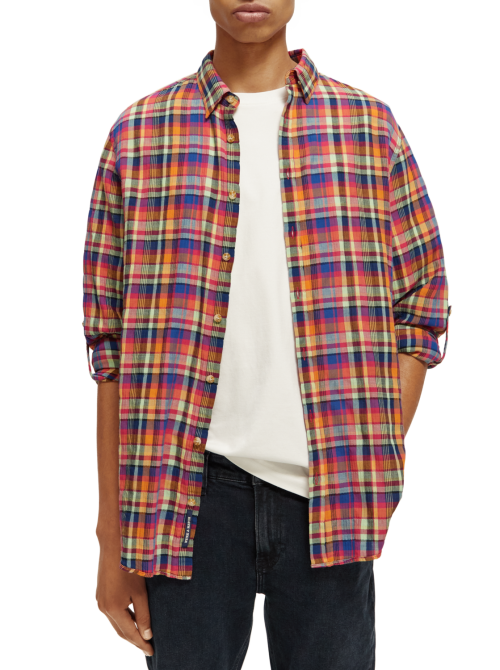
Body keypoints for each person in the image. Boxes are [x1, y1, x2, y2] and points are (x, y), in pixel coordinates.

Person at [85, 1, 452, 668]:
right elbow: (108, 349)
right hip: (185, 500)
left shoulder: (369, 128)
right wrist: (113, 542)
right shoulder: (138, 134)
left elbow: (423, 304)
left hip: (330, 499)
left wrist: (375, 441)